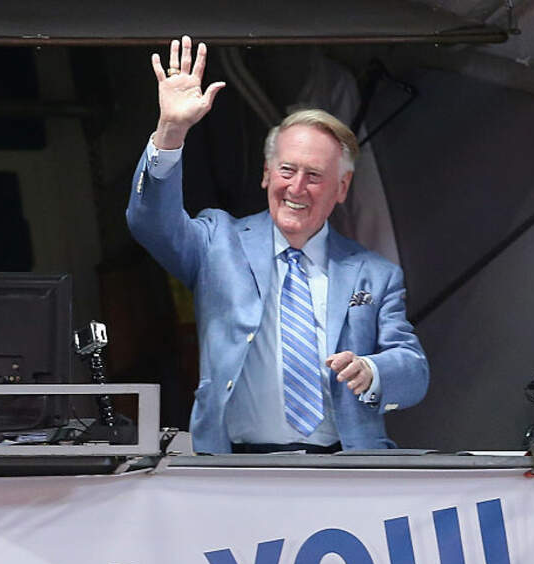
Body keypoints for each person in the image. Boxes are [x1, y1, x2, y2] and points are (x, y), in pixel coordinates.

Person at [126, 36, 428, 453]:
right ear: (266, 174)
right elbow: (150, 223)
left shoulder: (374, 273)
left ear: (342, 187)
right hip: (239, 471)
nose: (297, 188)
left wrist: (372, 369)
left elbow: (414, 373)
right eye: (287, 170)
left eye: (315, 175)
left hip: (348, 473)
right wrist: (171, 132)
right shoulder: (218, 241)